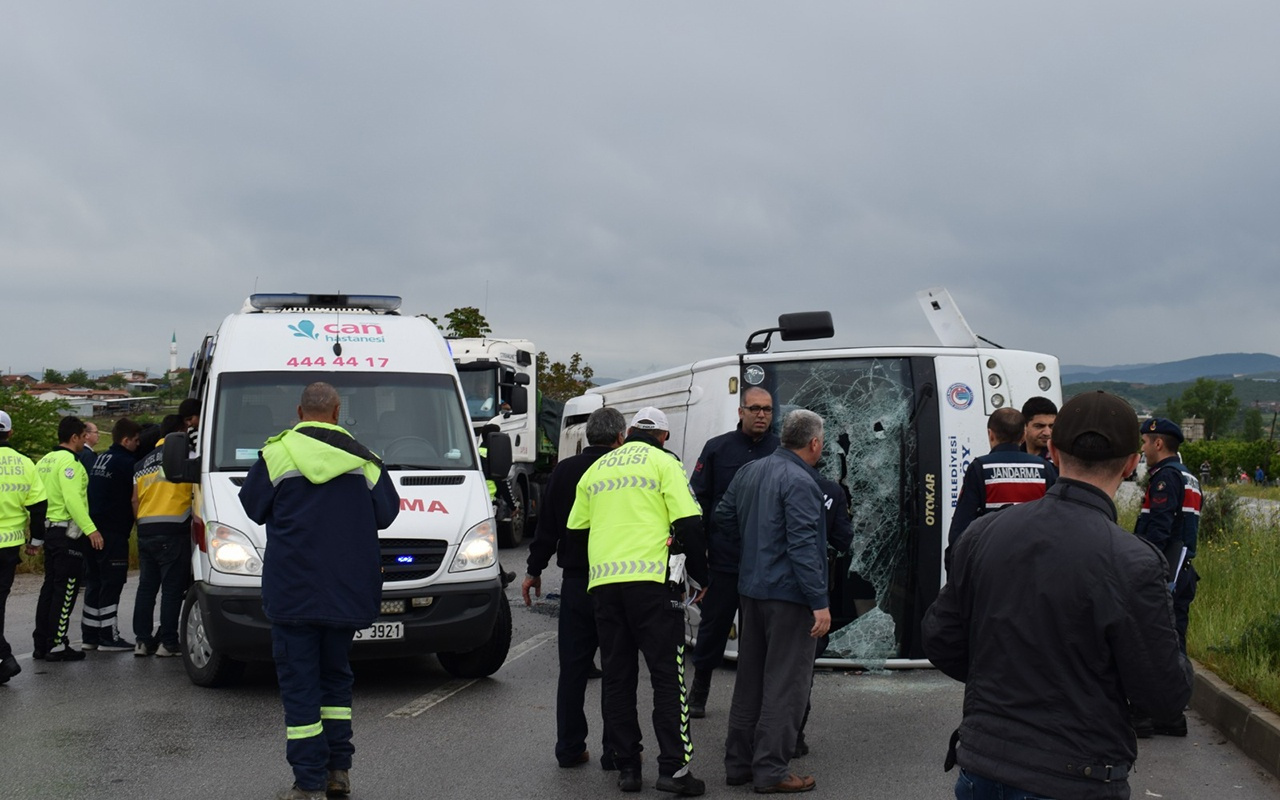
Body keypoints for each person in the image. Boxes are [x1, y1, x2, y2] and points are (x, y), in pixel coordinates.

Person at [923, 391, 1193, 800]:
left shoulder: (983, 535)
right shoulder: (1134, 561)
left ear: (1052, 450)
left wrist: (1004, 676)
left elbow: (942, 640)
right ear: (1131, 463)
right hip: (1077, 774)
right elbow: (1163, 694)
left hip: (983, 763)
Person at [239, 383, 400, 800]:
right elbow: (386, 515)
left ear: (298, 411)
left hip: (292, 591)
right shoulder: (365, 459)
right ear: (337, 410)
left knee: (299, 686)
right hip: (346, 590)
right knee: (336, 682)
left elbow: (253, 507)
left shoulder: (276, 454)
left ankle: (307, 779)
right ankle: (338, 771)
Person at [566, 406, 708, 796]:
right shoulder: (665, 464)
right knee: (667, 677)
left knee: (617, 677)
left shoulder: (596, 470)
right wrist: (703, 578)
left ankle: (628, 767)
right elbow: (690, 524)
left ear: (629, 432)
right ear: (663, 436)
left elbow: (576, 532)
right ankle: (673, 770)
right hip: (652, 585)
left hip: (605, 586)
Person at [717, 409, 830, 794]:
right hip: (791, 597)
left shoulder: (750, 471)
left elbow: (723, 517)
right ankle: (771, 770)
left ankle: (739, 764)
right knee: (786, 685)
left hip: (752, 591)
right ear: (814, 443)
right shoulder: (801, 481)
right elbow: (802, 546)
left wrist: (753, 552)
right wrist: (819, 601)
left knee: (750, 681)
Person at [522, 406, 627, 769]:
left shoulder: (564, 471)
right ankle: (614, 750)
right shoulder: (622, 471)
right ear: (620, 438)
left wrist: (533, 570)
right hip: (615, 581)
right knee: (616, 669)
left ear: (585, 437)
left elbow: (547, 528)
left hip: (575, 583)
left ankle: (569, 747)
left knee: (573, 671)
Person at [686, 387, 780, 718]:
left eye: (767, 410)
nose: (761, 415)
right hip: (725, 559)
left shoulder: (781, 450)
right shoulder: (718, 449)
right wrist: (702, 553)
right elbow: (699, 501)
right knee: (713, 627)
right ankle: (700, 688)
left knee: (766, 636)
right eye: (754, 408)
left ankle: (764, 704)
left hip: (767, 561)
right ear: (741, 412)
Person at [1133, 417, 1202, 738]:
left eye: (1146, 442)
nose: (1143, 448)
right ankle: (1172, 715)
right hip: (1183, 570)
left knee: (1150, 641)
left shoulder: (1165, 478)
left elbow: (1159, 530)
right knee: (1174, 641)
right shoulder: (1188, 477)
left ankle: (1144, 714)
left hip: (1165, 572)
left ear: (1158, 443)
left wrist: (1143, 569)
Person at [945, 408, 1055, 574]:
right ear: (1023, 435)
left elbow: (962, 526)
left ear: (991, 434)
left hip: (992, 564)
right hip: (1034, 564)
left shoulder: (980, 467)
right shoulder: (1044, 468)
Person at [31, 416, 104, 662]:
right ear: (74, 437)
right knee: (67, 589)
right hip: (67, 534)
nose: (86, 441)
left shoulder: (43, 461)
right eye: (84, 437)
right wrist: (91, 529)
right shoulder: (70, 463)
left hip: (49, 531)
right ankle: (57, 643)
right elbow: (73, 500)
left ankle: (41, 642)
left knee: (50, 588)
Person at [132, 414, 194, 657]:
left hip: (146, 529)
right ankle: (167, 643)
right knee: (171, 589)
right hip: (174, 529)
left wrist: (142, 524)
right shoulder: (187, 457)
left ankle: (142, 641)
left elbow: (134, 499)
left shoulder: (142, 463)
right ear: (180, 432)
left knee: (146, 588)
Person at [81, 417, 142, 651]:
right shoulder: (127, 463)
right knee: (112, 582)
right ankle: (108, 635)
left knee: (95, 582)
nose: (137, 445)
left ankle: (90, 635)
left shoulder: (101, 458)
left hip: (92, 530)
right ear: (126, 440)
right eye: (135, 441)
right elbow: (134, 498)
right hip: (113, 532)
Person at [0, 410, 48, 683]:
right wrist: (36, 541)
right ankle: (2, 658)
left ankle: (4, 656)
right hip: (8, 547)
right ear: (10, 433)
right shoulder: (24, 463)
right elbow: (39, 507)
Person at [1019, 396, 1057, 465]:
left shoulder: (1061, 460)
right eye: (1039, 426)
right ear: (1024, 426)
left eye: (1051, 426)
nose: (1047, 433)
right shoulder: (1014, 457)